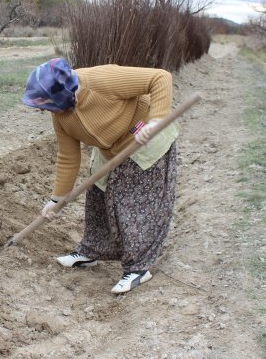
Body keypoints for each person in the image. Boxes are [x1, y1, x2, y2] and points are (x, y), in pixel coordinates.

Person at [21, 58, 178, 294]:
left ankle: (139, 268)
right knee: (98, 199)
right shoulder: (60, 113)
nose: (42, 108)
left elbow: (160, 77)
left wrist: (155, 121)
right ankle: (91, 251)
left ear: (63, 94)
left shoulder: (102, 79)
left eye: (45, 102)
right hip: (109, 149)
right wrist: (57, 200)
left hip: (144, 138)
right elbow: (67, 155)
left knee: (134, 206)